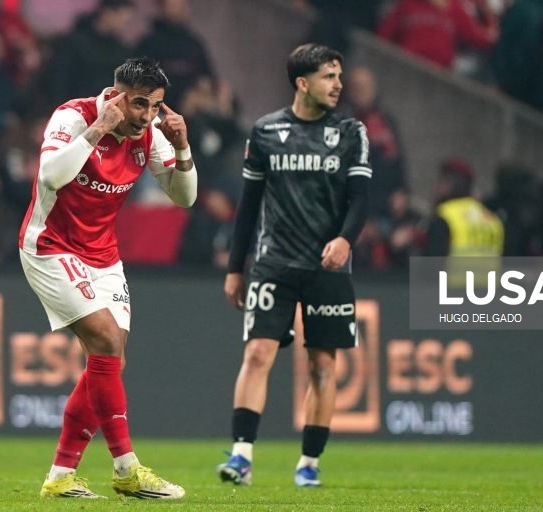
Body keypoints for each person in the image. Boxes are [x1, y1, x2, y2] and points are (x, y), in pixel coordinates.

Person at [18, 57, 196, 500]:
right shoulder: (72, 116)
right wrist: (97, 130)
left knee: (111, 362)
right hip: (50, 245)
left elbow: (184, 197)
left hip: (104, 256)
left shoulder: (150, 134)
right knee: (106, 342)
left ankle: (60, 476)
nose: (146, 116)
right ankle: (127, 468)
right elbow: (50, 176)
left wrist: (183, 147)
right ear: (116, 95)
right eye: (139, 105)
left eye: (155, 107)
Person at [216, 44, 372, 488]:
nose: (338, 85)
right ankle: (242, 456)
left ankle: (309, 463)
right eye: (329, 76)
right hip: (274, 263)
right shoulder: (265, 131)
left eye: (339, 76)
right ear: (302, 83)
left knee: (323, 365)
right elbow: (248, 207)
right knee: (257, 352)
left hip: (327, 268)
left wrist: (345, 238)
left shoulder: (350, 132)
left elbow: (361, 200)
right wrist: (234, 268)